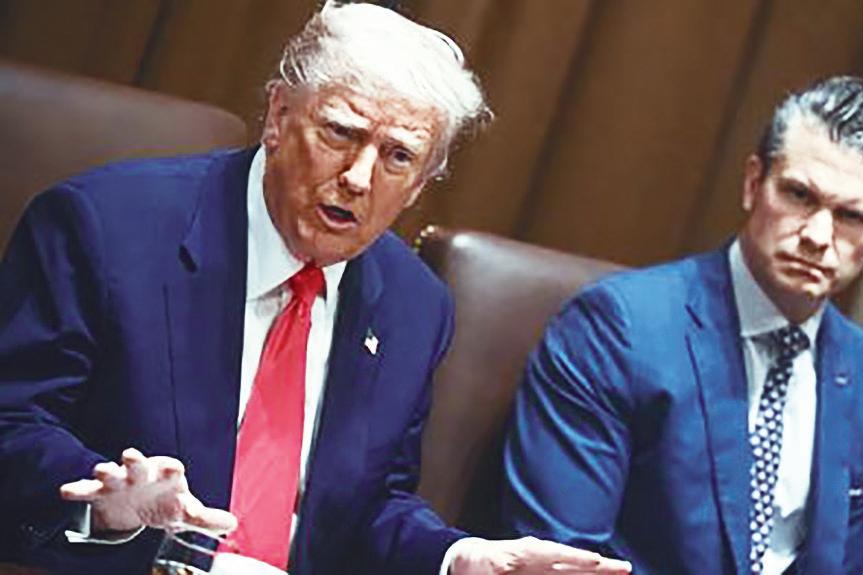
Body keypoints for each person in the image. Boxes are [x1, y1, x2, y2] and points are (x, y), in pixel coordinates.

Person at [0, 3, 632, 574]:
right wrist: (107, 504)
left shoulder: (415, 305)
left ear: (419, 185)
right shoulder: (106, 228)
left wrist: (455, 557)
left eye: (398, 156)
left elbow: (367, 508)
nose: (358, 177)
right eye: (340, 133)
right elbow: (13, 423)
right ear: (278, 116)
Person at [503, 76, 863, 574]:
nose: (817, 235)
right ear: (753, 183)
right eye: (798, 195)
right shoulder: (619, 328)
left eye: (852, 216)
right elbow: (560, 561)